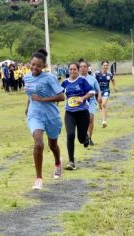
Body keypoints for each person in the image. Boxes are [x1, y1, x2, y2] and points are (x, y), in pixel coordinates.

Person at [24, 49, 65, 190]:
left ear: (44, 66)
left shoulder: (50, 78)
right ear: (30, 63)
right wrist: (28, 106)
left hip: (51, 116)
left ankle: (58, 163)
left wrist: (42, 99)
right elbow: (30, 94)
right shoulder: (26, 77)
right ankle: (39, 178)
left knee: (53, 145)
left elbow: (61, 97)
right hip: (34, 115)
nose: (35, 67)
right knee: (38, 143)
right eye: (33, 64)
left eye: (38, 65)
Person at [61, 63, 95, 170]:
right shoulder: (65, 82)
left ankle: (86, 138)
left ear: (78, 70)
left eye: (74, 69)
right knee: (70, 135)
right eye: (70, 69)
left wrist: (83, 98)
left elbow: (92, 92)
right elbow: (58, 93)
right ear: (68, 70)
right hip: (70, 113)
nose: (72, 71)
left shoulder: (82, 80)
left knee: (81, 139)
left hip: (83, 113)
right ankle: (71, 162)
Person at [79, 59, 101, 146]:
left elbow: (98, 90)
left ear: (88, 68)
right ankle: (84, 136)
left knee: (90, 118)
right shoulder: (77, 78)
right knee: (82, 121)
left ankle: (89, 138)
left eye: (84, 66)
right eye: (81, 67)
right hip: (80, 102)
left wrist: (99, 96)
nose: (82, 68)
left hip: (91, 101)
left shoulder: (92, 79)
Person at [95, 61, 117, 128]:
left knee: (104, 104)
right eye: (104, 65)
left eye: (107, 65)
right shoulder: (96, 74)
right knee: (101, 106)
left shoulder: (109, 74)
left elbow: (113, 80)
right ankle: (103, 118)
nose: (105, 67)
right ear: (101, 66)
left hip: (106, 90)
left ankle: (104, 121)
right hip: (98, 92)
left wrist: (114, 87)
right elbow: (93, 81)